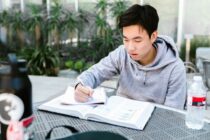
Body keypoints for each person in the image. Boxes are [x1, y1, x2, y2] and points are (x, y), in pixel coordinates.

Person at [74, 4, 186, 109]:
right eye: (126, 39)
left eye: (137, 40)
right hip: (119, 117)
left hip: (154, 125)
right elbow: (95, 73)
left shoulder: (175, 69)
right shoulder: (122, 54)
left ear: (153, 36)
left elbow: (172, 115)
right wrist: (80, 86)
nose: (130, 47)